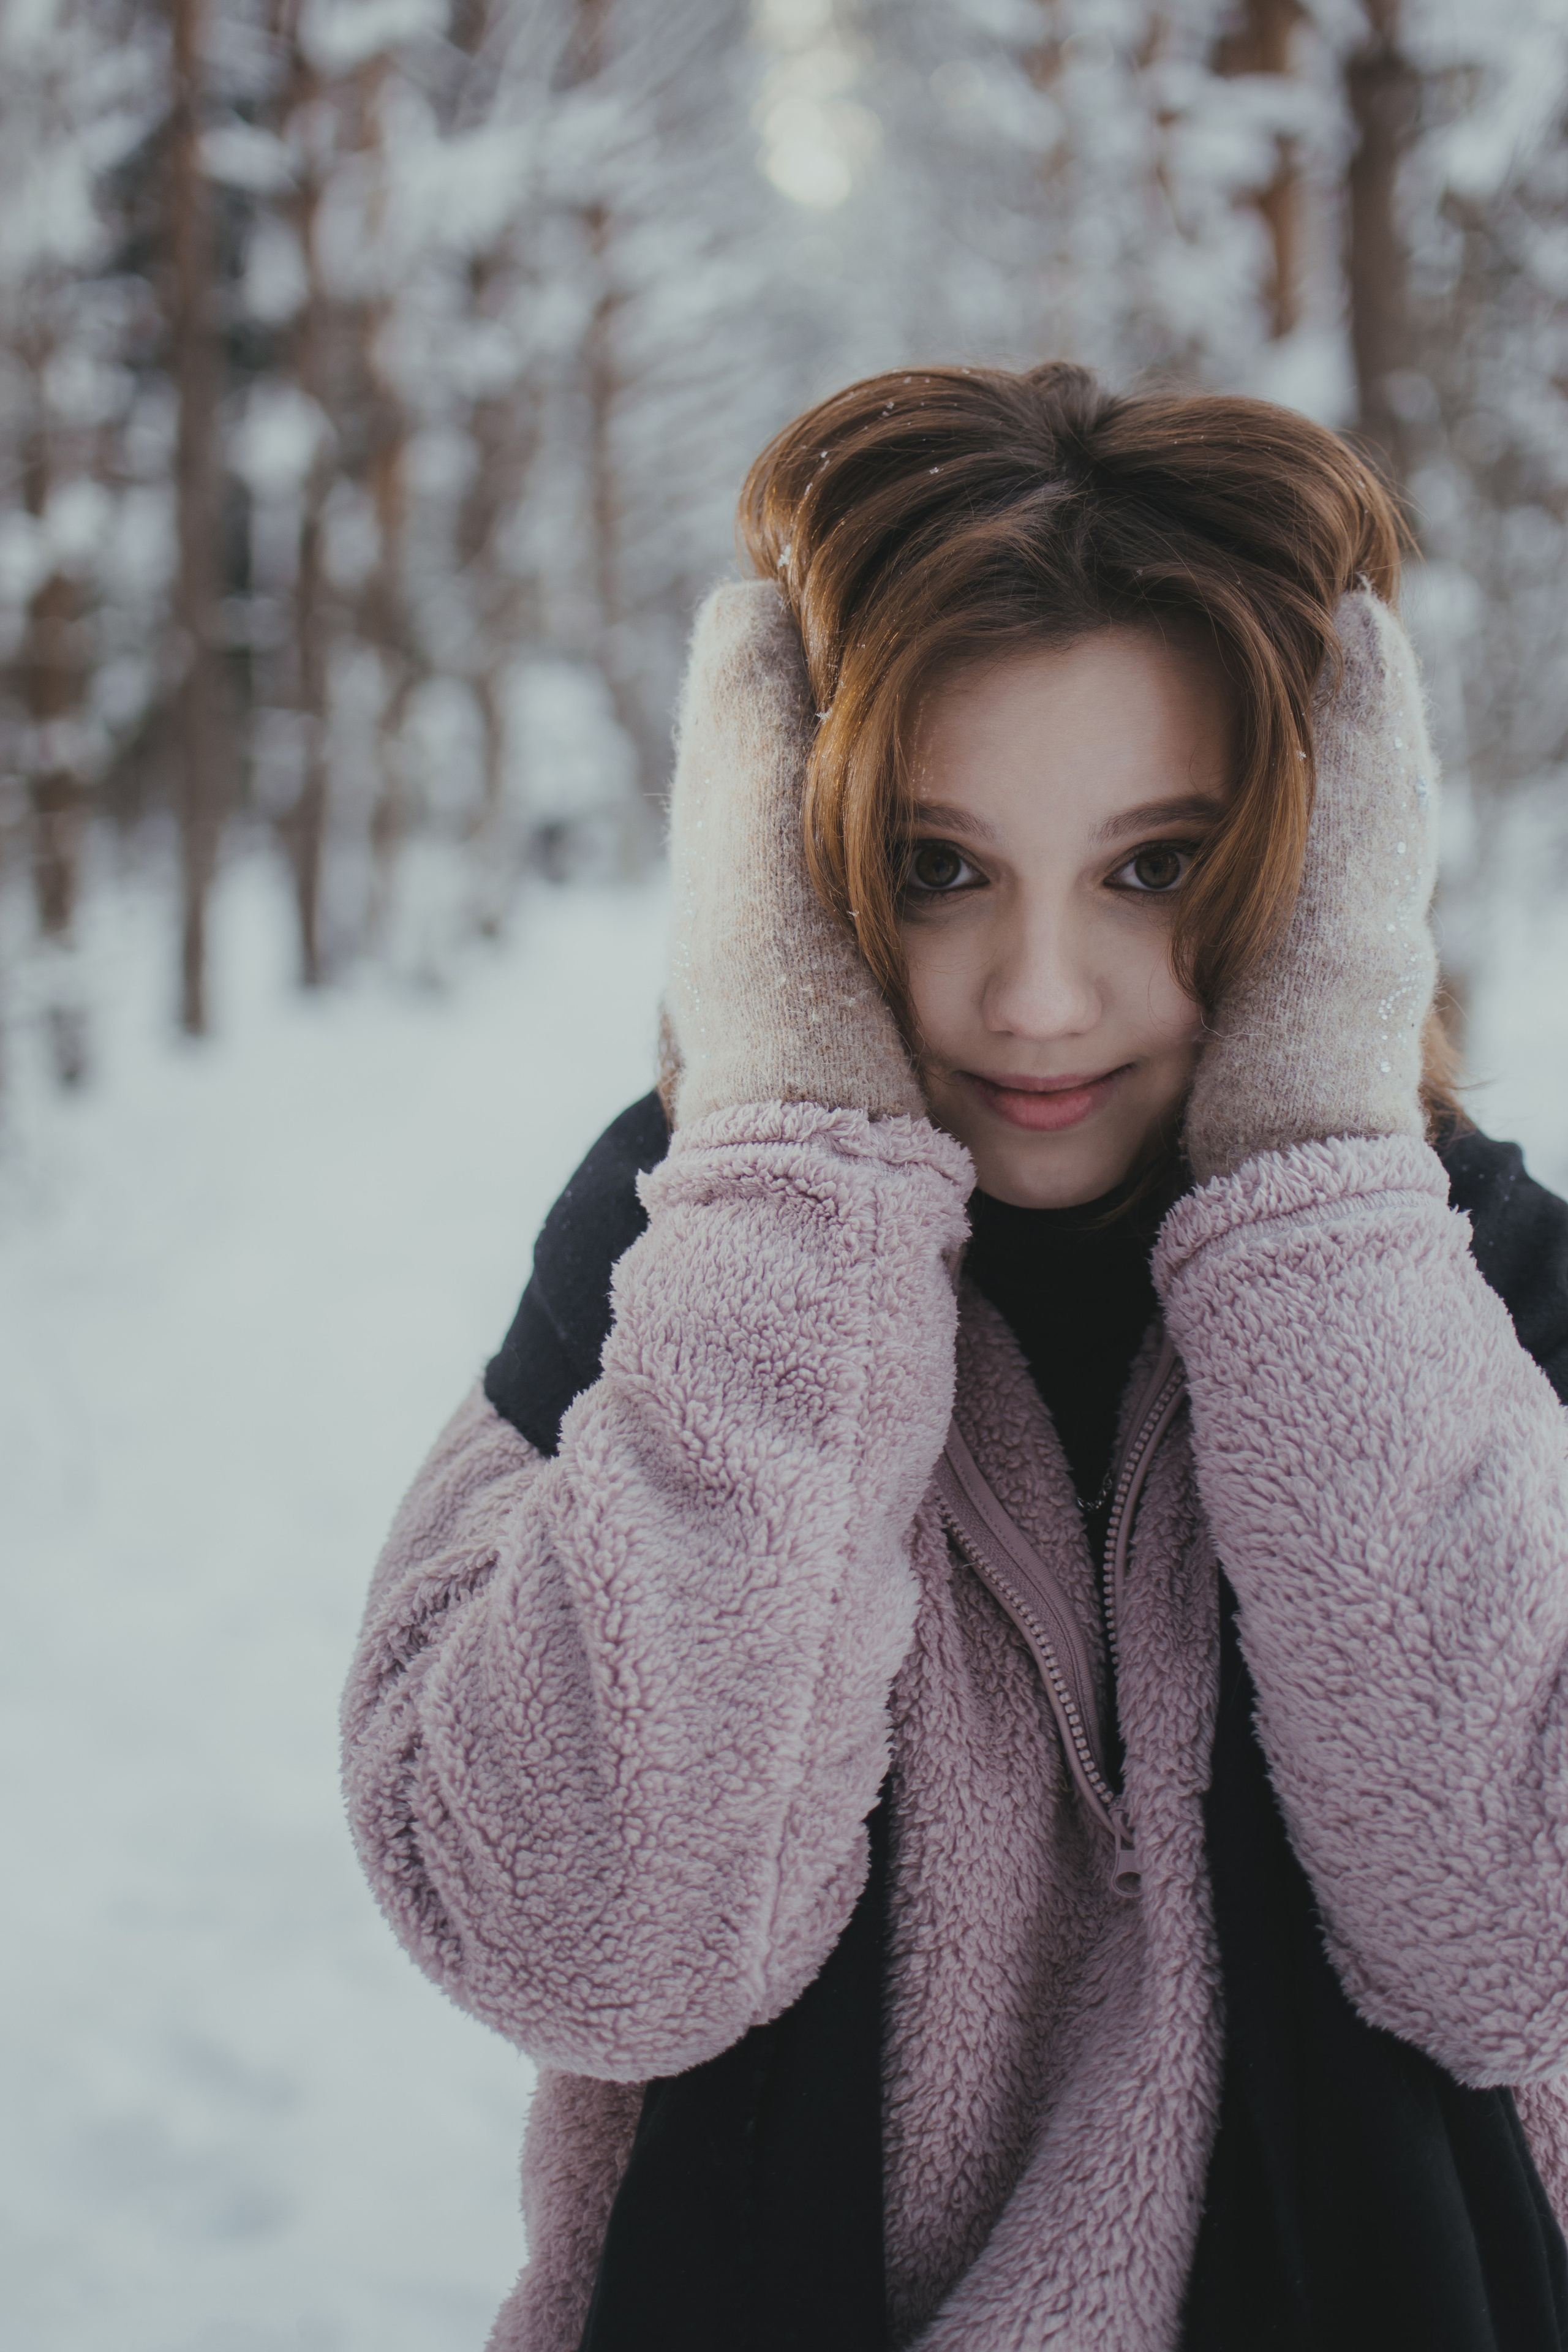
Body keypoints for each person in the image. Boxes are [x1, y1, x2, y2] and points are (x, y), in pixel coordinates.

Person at [342, 363, 1568, 2351]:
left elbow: (1518, 1944)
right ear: (793, 859)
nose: (1042, 997)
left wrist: (1321, 1188)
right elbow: (587, 1947)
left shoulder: (1483, 1289)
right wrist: (796, 1185)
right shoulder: (671, 1264)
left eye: (1157, 865)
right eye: (938, 865)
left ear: (1319, 859)